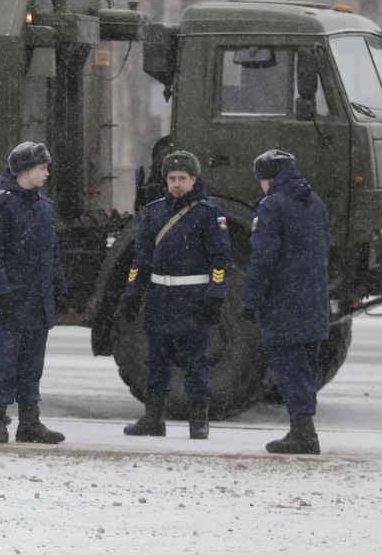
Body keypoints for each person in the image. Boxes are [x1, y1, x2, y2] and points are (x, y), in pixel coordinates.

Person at [119, 151, 231, 439]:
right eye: (172, 178)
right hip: (160, 298)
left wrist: (215, 295)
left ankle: (198, 421)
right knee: (156, 360)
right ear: (165, 181)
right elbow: (140, 258)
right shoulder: (155, 212)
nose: (177, 184)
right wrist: (133, 293)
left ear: (194, 180)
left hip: (192, 297)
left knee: (195, 360)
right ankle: (153, 419)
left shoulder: (209, 214)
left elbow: (221, 259)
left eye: (183, 178)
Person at [241, 149, 329, 455]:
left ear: (269, 179)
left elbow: (263, 258)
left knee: (288, 367)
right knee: (305, 367)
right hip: (314, 299)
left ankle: (302, 434)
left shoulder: (272, 205)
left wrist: (250, 300)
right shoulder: (315, 202)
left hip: (284, 302)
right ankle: (306, 430)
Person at [0, 142, 68, 444]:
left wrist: (59, 287)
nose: (47, 173)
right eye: (43, 168)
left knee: (33, 365)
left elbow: (51, 253)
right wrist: (2, 293)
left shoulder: (45, 207)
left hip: (37, 301)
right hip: (12, 302)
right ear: (26, 170)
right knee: (4, 361)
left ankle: (30, 423)